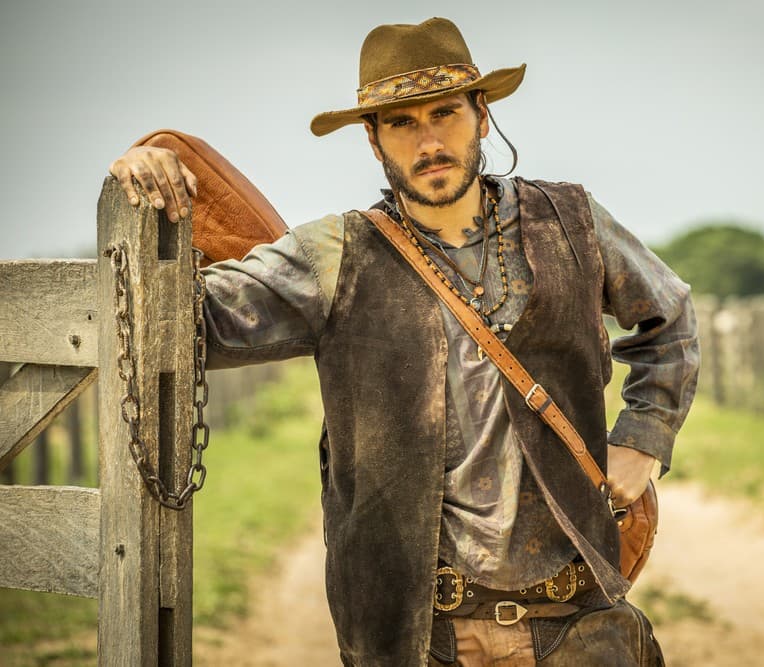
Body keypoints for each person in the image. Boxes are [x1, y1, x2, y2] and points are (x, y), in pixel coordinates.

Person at [109, 17, 698, 666]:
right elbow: (191, 326)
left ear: (481, 113)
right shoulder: (335, 256)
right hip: (421, 639)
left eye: (444, 112)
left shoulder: (570, 222)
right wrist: (145, 186)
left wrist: (644, 436)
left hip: (580, 625)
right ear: (373, 139)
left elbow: (669, 315)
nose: (429, 141)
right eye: (402, 122)